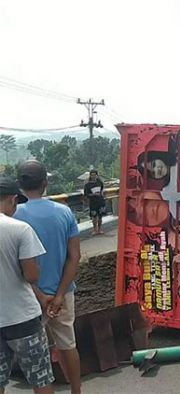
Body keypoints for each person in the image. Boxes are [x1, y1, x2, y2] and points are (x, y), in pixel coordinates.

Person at [14, 161, 81, 394]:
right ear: (45, 182)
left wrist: (41, 296)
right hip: (64, 293)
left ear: (19, 185)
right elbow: (75, 256)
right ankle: (76, 391)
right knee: (68, 345)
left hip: (29, 297)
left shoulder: (14, 217)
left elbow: (17, 267)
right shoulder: (64, 212)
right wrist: (60, 294)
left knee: (37, 355)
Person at [0, 177, 55, 394]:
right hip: (22, 318)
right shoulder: (20, 229)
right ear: (13, 200)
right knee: (39, 378)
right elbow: (31, 276)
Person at [83, 170, 106, 235]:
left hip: (100, 201)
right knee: (94, 216)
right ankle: (95, 230)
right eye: (92, 175)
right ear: (90, 176)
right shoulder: (87, 185)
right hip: (93, 202)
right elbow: (86, 194)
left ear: (97, 175)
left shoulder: (100, 182)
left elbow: (101, 190)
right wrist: (93, 195)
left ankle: (99, 229)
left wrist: (101, 195)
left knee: (100, 216)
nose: (93, 176)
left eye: (95, 175)